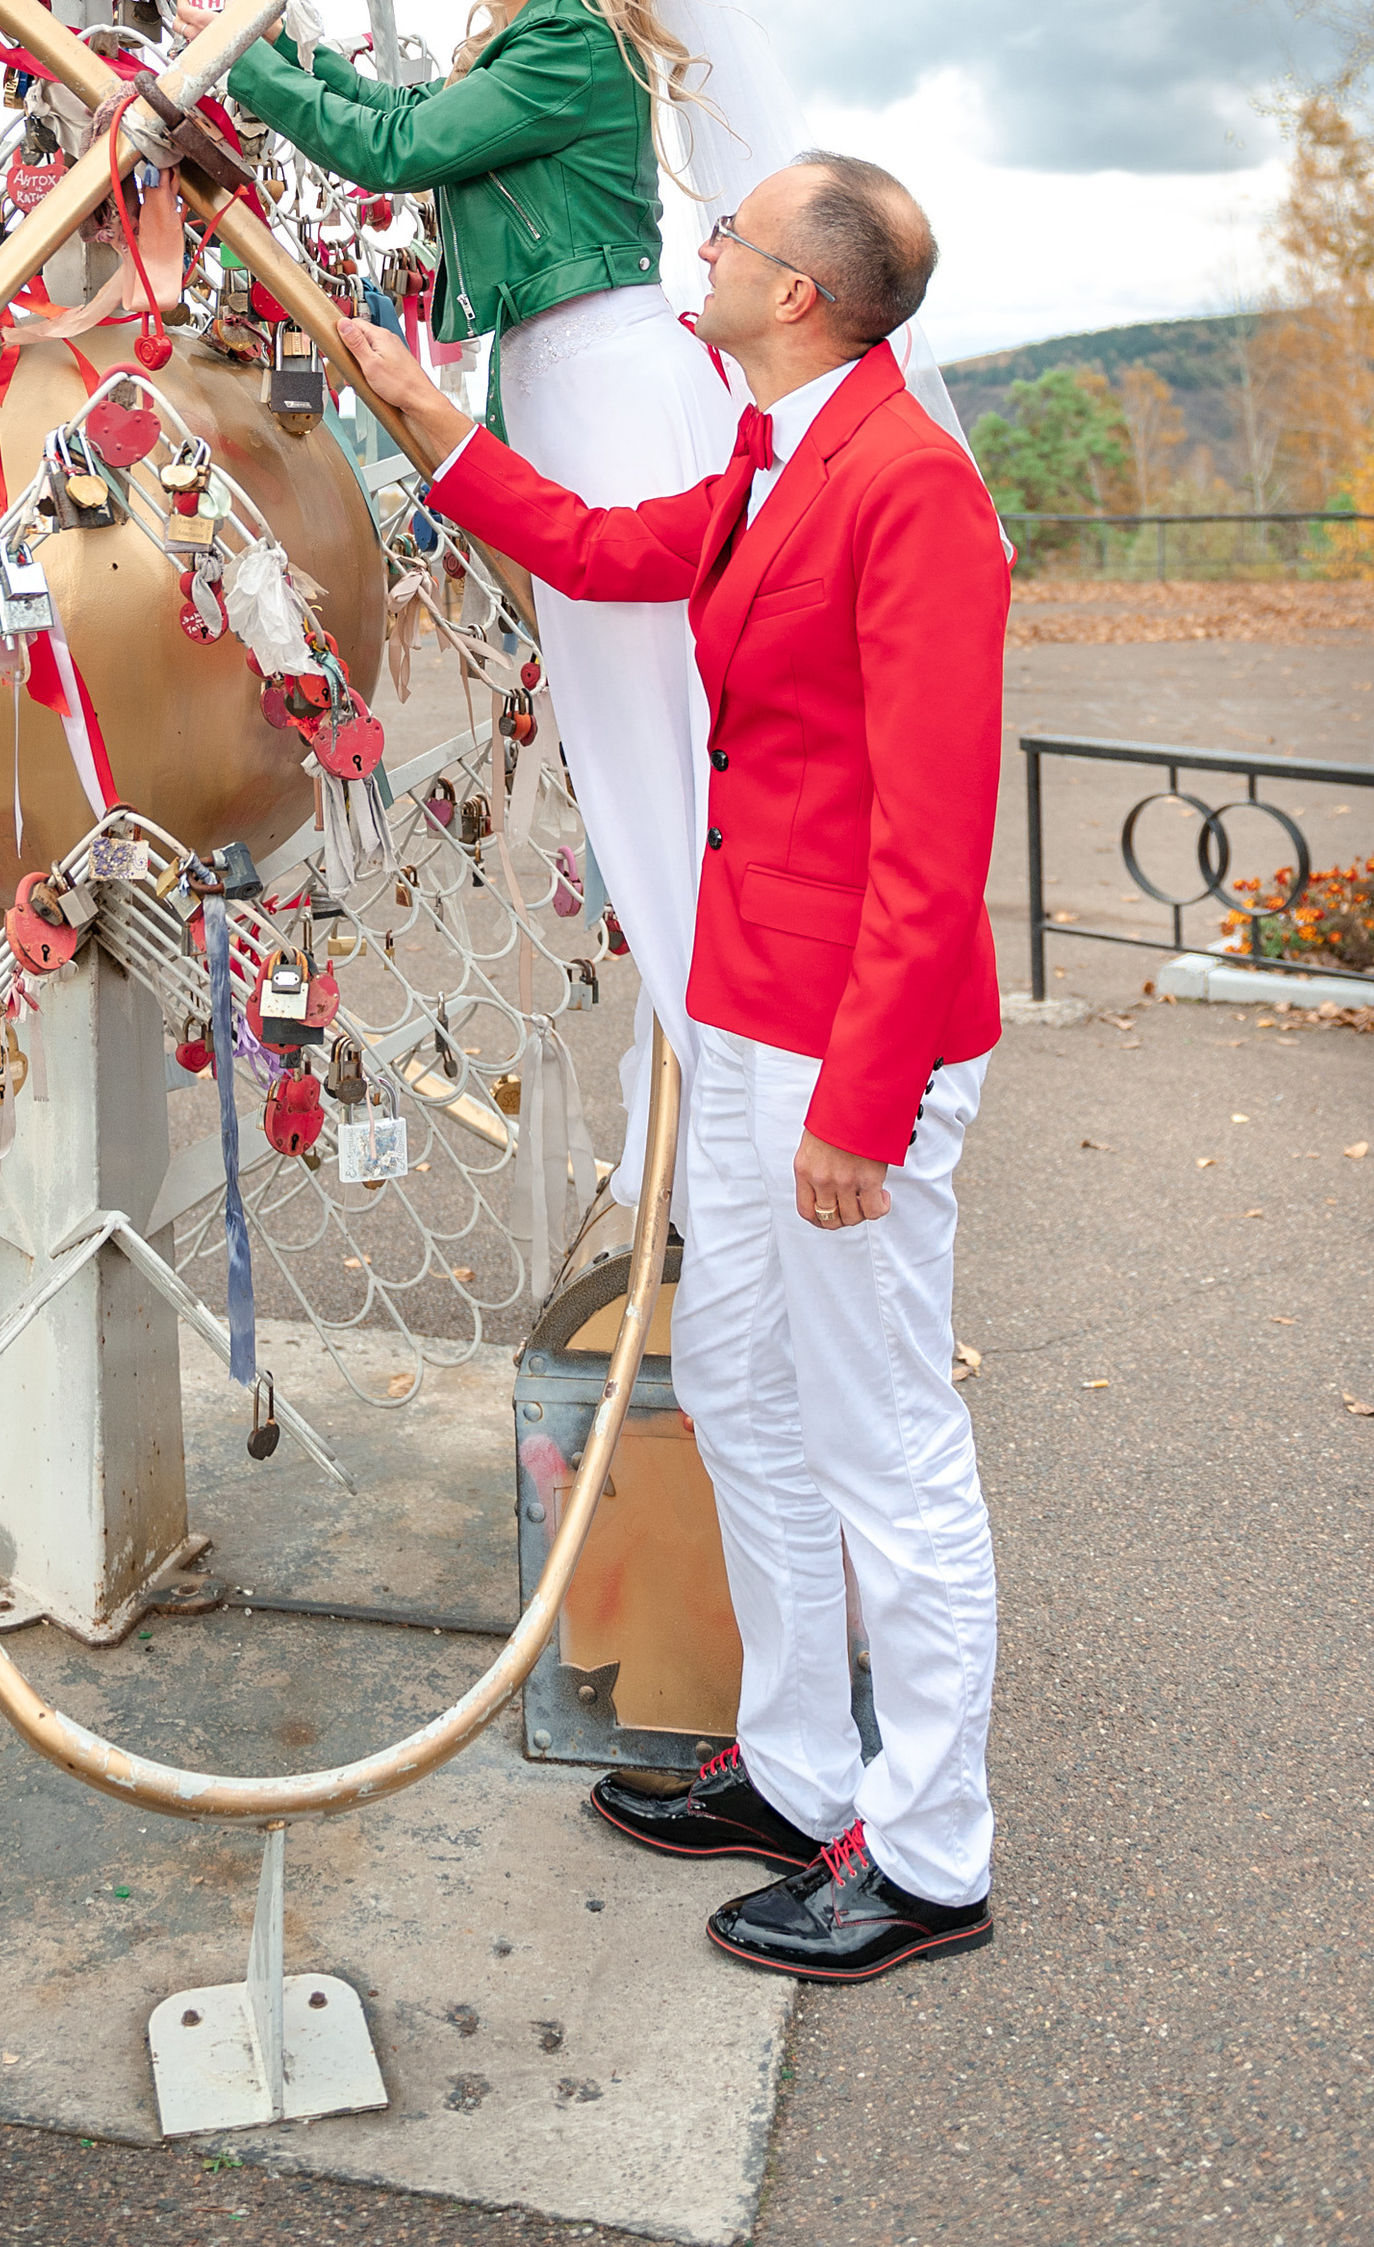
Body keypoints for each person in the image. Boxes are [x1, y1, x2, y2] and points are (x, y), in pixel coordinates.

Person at [338, 150, 1008, 1987]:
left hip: (848, 1050)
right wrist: (422, 422)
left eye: (728, 234)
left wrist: (863, 1110)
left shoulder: (913, 490)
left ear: (799, 290)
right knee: (734, 1376)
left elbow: (938, 842)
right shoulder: (771, 448)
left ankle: (934, 1854)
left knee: (888, 1443)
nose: (694, 248)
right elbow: (611, 555)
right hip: (746, 1010)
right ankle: (799, 1777)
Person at [217, 0, 740, 1208]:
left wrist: (241, 68)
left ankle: (725, 1128)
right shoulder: (531, 37)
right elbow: (401, 114)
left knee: (651, 765)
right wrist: (268, 49)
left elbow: (393, 154)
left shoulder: (571, 41)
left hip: (611, 404)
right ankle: (700, 1127)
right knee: (633, 763)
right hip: (562, 385)